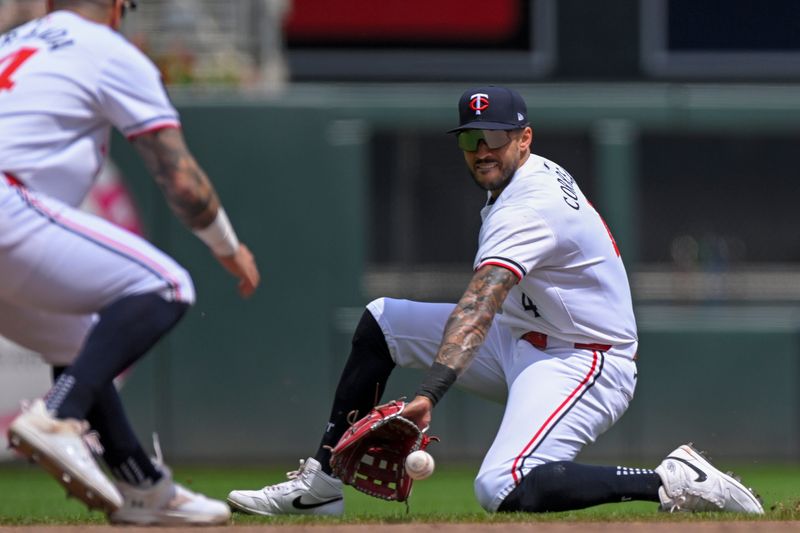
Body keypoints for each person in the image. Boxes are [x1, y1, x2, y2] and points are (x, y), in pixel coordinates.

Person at [226, 86, 762, 516]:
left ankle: (670, 480)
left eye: (494, 137)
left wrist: (430, 393)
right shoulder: (516, 181)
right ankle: (322, 484)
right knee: (383, 322)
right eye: (470, 139)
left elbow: (480, 303)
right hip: (522, 338)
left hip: (583, 358)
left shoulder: (526, 206)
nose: (482, 149)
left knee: (502, 487)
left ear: (524, 138)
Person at [0, 0, 260, 526]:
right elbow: (180, 180)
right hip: (7, 205)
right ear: (119, 6)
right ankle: (56, 416)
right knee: (168, 284)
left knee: (77, 343)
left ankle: (143, 485)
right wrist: (228, 247)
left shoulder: (9, 43)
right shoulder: (106, 49)